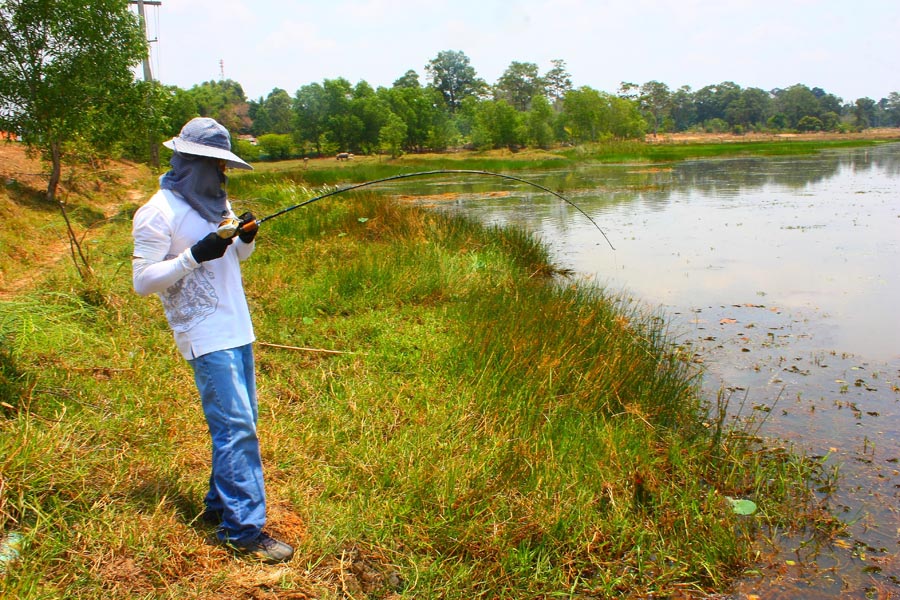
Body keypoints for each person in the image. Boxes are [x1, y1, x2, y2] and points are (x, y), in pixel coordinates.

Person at [131, 117, 293, 564]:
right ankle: (243, 531)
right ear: (189, 161)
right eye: (215, 165)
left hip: (238, 328)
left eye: (225, 166)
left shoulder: (216, 204)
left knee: (240, 426)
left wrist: (246, 238)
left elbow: (236, 257)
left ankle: (219, 507)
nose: (222, 175)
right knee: (236, 428)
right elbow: (143, 282)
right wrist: (193, 255)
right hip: (204, 333)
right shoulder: (157, 211)